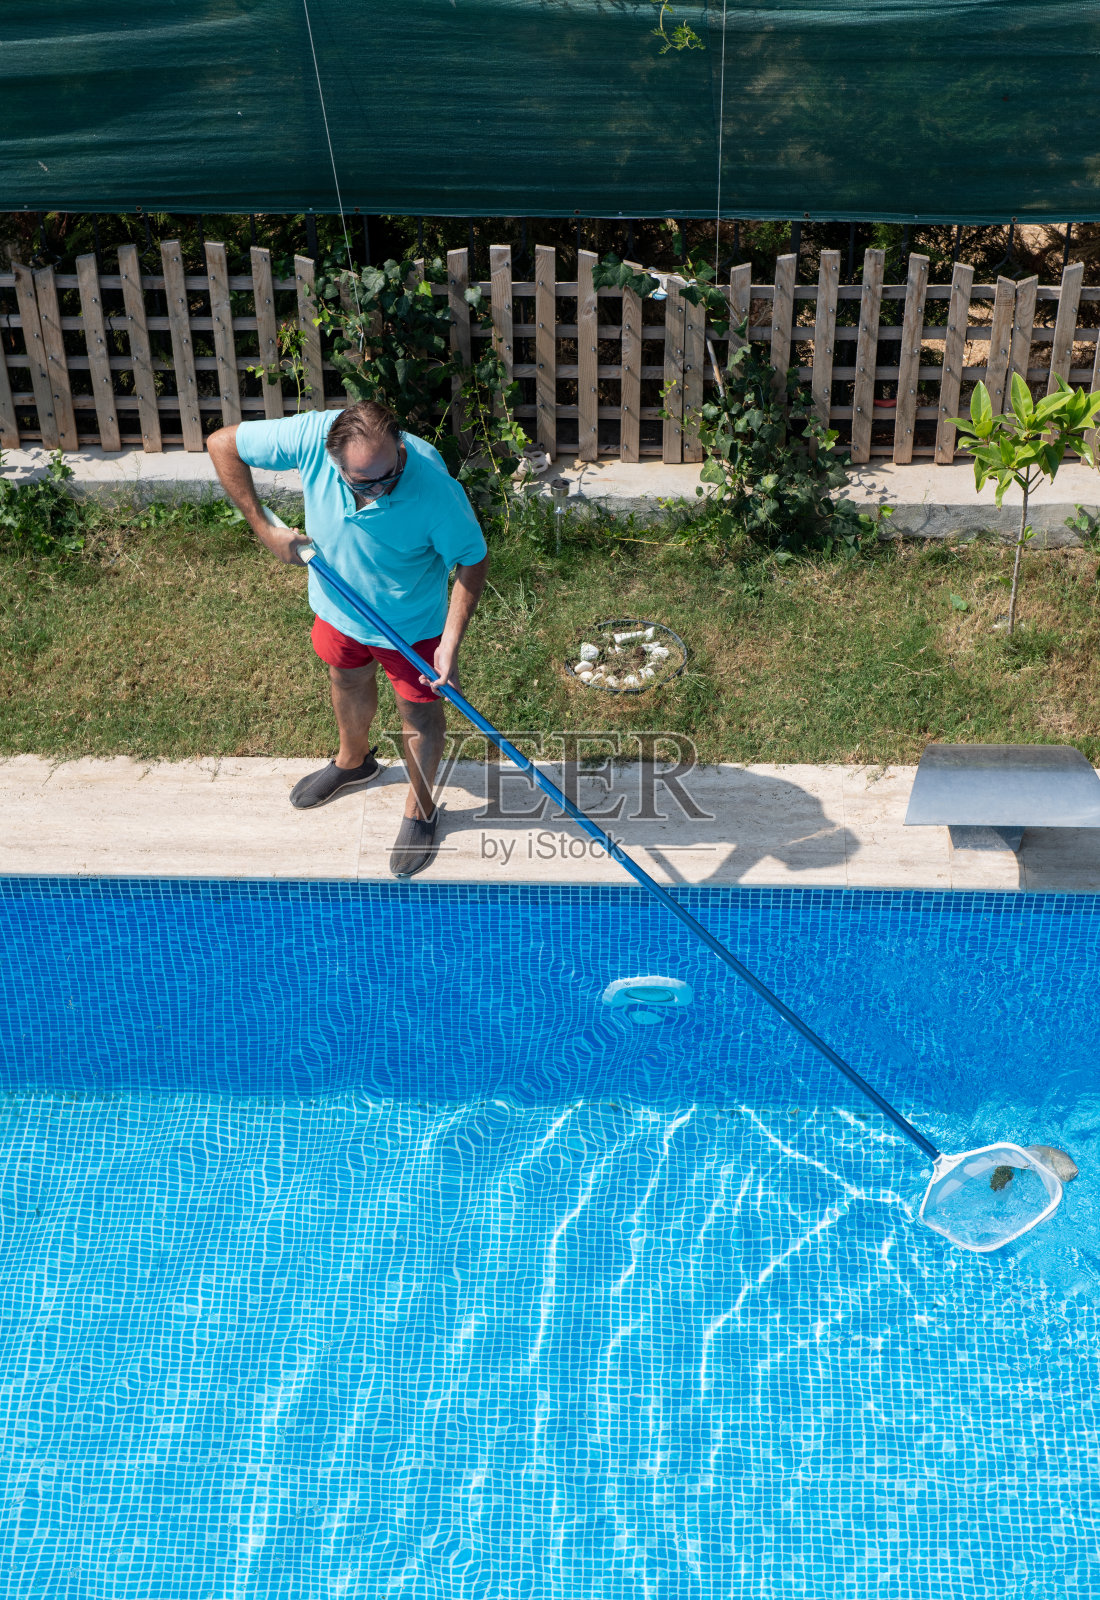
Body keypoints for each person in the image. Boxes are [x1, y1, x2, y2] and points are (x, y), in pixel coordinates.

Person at [207, 400, 488, 877]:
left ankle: (421, 809)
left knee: (420, 713)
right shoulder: (310, 436)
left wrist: (450, 643)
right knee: (346, 678)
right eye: (364, 482)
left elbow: (472, 559)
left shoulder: (436, 491)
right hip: (338, 605)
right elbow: (222, 444)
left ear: (399, 448)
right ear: (332, 459)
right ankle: (354, 761)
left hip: (410, 626)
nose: (380, 489)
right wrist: (262, 527)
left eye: (389, 475)